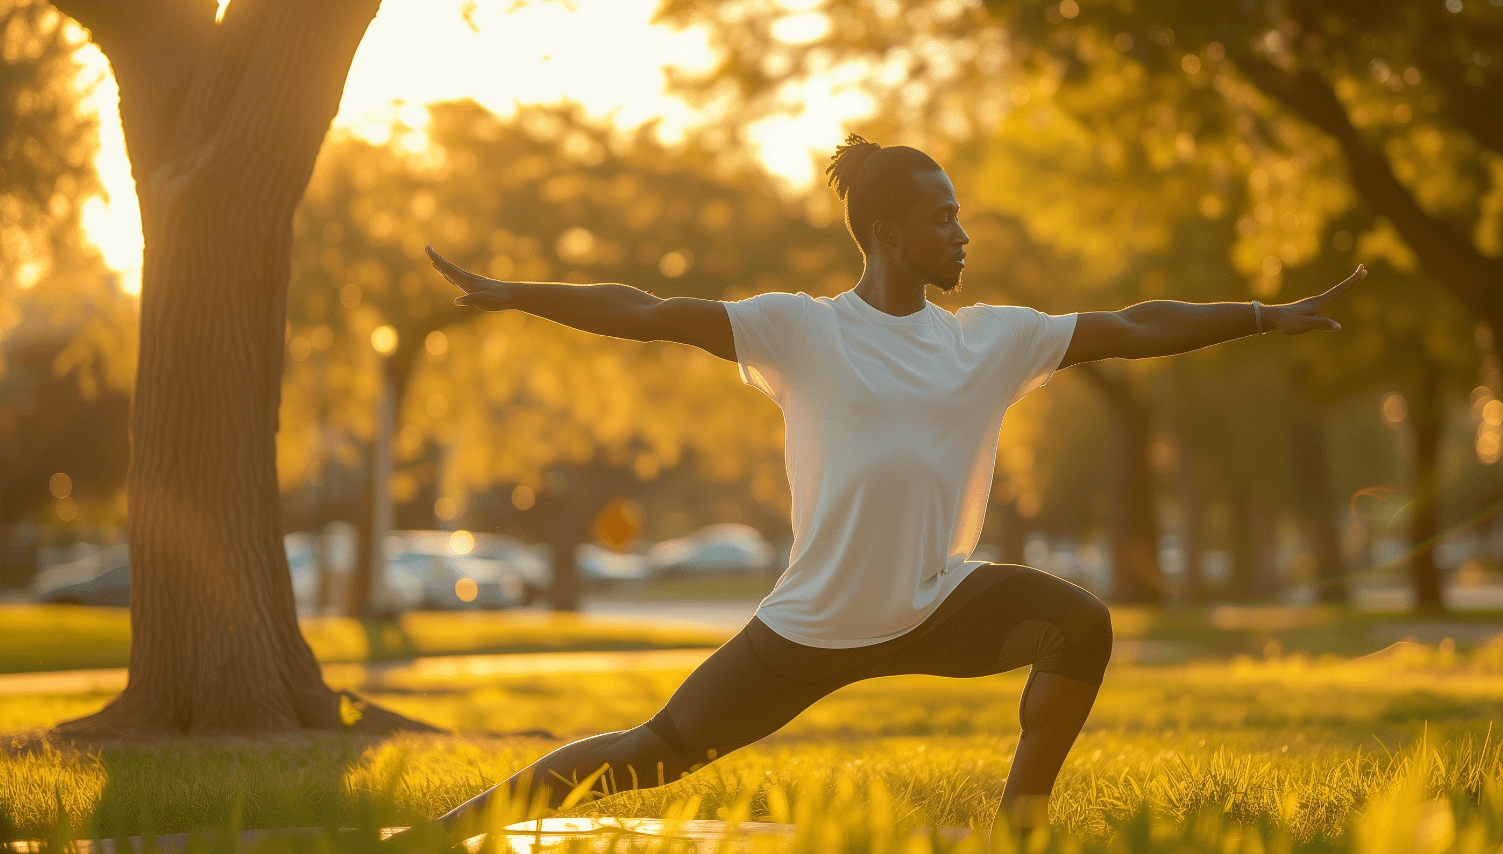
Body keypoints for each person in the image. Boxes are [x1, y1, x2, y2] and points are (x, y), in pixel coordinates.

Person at [409, 134, 1367, 842]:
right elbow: (652, 312)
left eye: (959, 214)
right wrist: (519, 292)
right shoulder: (800, 330)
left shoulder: (990, 340)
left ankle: (1020, 827)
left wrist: (1260, 314)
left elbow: (1129, 325)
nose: (962, 233)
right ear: (889, 229)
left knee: (1081, 624)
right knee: (654, 749)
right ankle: (445, 832)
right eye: (942, 216)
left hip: (931, 603)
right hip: (811, 623)